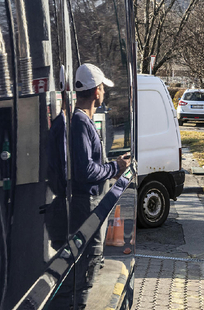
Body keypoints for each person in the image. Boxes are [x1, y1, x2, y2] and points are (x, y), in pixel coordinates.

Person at [52, 63, 130, 309]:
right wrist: (115, 168)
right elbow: (85, 170)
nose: (104, 93)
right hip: (85, 207)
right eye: (103, 89)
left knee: (83, 271)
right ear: (97, 91)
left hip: (84, 205)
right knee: (84, 270)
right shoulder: (80, 123)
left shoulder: (78, 121)